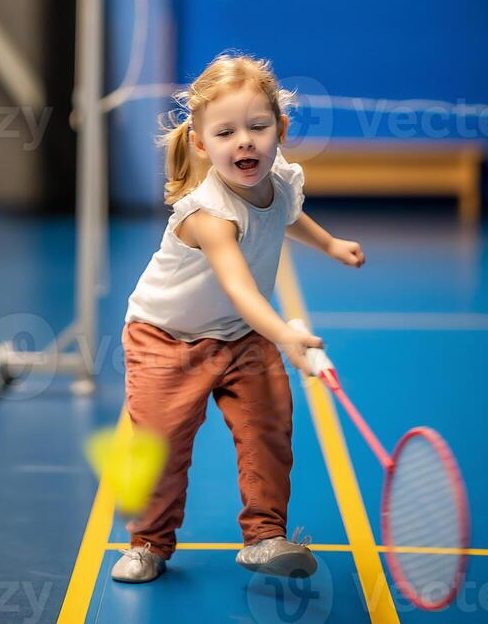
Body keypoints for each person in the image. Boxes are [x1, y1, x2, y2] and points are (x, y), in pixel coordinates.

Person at [112, 52, 365, 584]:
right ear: (202, 144)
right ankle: (148, 543)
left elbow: (286, 213)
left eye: (257, 126)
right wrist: (286, 334)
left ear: (281, 129)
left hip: (239, 335)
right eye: (226, 132)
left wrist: (330, 244)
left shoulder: (281, 180)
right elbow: (239, 285)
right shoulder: (208, 214)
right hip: (166, 337)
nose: (244, 141)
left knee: (269, 426)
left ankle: (265, 536)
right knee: (159, 445)